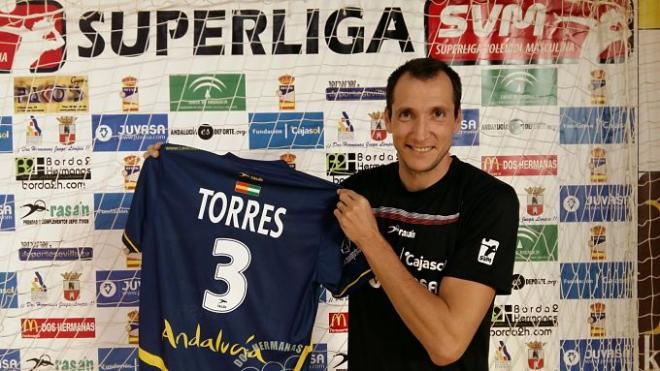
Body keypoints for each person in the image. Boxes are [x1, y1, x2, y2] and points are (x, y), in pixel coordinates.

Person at [145, 57, 519, 370]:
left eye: (437, 114)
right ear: (387, 120)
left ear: (457, 120)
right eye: (406, 115)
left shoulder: (490, 201)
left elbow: (447, 344)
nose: (421, 132)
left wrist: (371, 240)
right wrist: (180, 178)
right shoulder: (360, 191)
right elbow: (267, 230)